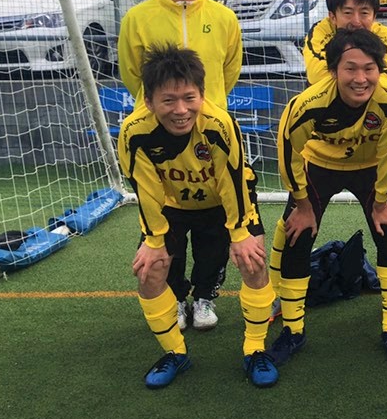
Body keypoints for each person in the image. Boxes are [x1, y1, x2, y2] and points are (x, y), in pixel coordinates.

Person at [119, 44, 277, 388]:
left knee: (253, 262)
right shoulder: (134, 132)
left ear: (202, 95)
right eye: (168, 100)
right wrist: (154, 241)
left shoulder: (219, 124)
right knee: (150, 271)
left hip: (225, 201)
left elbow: (231, 180)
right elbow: (145, 189)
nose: (181, 110)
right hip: (173, 205)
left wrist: (240, 233)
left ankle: (255, 349)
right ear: (149, 101)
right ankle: (175, 353)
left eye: (189, 98)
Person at [118, 0, 244, 333]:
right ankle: (173, 298)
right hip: (161, 141)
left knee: (215, 229)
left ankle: (205, 296)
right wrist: (164, 111)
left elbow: (229, 70)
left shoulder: (224, 18)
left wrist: (204, 108)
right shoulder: (137, 19)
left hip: (210, 139)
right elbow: (132, 75)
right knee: (164, 222)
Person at [268, 28, 387, 365]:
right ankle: (293, 330)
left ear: (380, 69)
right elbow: (288, 155)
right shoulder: (307, 104)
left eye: (369, 69)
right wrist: (303, 205)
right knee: (297, 233)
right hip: (320, 166)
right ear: (334, 70)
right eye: (350, 68)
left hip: (370, 167)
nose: (360, 79)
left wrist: (382, 203)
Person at [302, 0, 387, 312]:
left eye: (364, 12)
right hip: (322, 155)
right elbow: (320, 80)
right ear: (332, 16)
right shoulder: (317, 35)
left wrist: (351, 76)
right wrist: (365, 77)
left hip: (371, 157)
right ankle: (283, 293)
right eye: (347, 12)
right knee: (297, 227)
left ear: (375, 15)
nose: (356, 21)